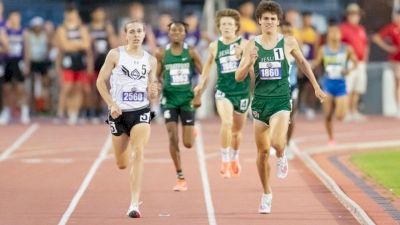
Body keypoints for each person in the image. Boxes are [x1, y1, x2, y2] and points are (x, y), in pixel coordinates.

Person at [235, 0, 325, 214]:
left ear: (278, 21)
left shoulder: (288, 42)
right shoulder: (251, 44)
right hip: (259, 102)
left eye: (273, 19)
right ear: (259, 21)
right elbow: (239, 77)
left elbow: (303, 63)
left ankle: (282, 154)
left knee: (276, 142)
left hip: (281, 100)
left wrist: (316, 87)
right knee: (262, 152)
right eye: (265, 19)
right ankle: (266, 194)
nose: (269, 22)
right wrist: (249, 62)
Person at [96, 19, 158, 218]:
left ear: (144, 34)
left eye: (140, 31)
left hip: (141, 111)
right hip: (118, 114)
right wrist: (111, 104)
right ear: (125, 35)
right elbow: (100, 82)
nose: (137, 34)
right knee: (121, 163)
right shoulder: (115, 54)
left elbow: (153, 89)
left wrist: (154, 90)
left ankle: (134, 204)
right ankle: (127, 143)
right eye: (132, 31)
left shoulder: (151, 60)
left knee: (138, 152)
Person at [194, 9, 250, 178]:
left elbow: (253, 65)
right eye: (223, 24)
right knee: (226, 122)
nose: (226, 27)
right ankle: (224, 160)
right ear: (219, 27)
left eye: (229, 24)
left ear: (236, 27)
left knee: (237, 132)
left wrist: (244, 55)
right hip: (223, 91)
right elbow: (207, 67)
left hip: (241, 92)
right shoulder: (215, 46)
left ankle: (234, 157)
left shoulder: (245, 44)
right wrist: (201, 83)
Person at [156, 21, 202, 191]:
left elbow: (204, 75)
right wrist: (157, 85)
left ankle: (192, 130)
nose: (176, 32)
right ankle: (180, 176)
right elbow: (156, 76)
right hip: (169, 100)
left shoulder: (190, 52)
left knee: (188, 144)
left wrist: (198, 95)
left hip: (187, 100)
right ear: (168, 33)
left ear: (185, 34)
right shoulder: (161, 53)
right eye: (173, 30)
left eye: (180, 30)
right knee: (172, 136)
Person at [313, 24, 357, 145]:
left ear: (340, 35)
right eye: (332, 32)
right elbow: (316, 63)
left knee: (340, 116)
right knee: (327, 115)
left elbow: (355, 62)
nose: (334, 35)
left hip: (341, 85)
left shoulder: (346, 48)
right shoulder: (323, 49)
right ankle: (331, 138)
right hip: (328, 84)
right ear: (328, 35)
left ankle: (339, 108)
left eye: (337, 32)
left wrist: (349, 70)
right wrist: (309, 65)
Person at [55, 6, 92, 125]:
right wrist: (78, 43)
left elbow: (86, 45)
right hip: (68, 60)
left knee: (78, 87)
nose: (72, 16)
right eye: (69, 14)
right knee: (67, 87)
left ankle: (74, 113)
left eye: (74, 14)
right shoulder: (62, 29)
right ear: (66, 15)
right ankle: (61, 112)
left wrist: (72, 43)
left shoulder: (82, 28)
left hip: (80, 60)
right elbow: (64, 46)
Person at [87, 6, 117, 123]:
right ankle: (93, 111)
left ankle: (105, 110)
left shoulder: (107, 27)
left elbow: (114, 44)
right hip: (94, 60)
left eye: (102, 13)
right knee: (93, 88)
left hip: (105, 61)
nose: (100, 15)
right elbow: (87, 48)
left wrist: (110, 35)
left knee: (107, 87)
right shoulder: (89, 28)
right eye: (98, 13)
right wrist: (89, 63)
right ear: (93, 15)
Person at [340, 3, 369, 121]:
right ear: (347, 15)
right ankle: (345, 112)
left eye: (357, 14)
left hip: (361, 63)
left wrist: (365, 59)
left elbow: (365, 45)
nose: (355, 17)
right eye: (352, 14)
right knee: (348, 88)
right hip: (349, 62)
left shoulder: (361, 29)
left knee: (358, 88)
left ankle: (354, 111)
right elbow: (338, 45)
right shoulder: (343, 28)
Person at [0, 10, 29, 125]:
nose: (15, 20)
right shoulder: (5, 31)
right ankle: (6, 112)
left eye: (17, 17)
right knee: (7, 89)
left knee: (20, 89)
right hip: (7, 61)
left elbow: (27, 49)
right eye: (12, 18)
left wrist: (27, 64)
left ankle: (24, 112)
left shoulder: (23, 32)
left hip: (19, 62)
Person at [373, 9, 400, 118]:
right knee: (398, 82)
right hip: (396, 60)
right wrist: (388, 48)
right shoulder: (391, 27)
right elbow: (376, 38)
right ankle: (398, 107)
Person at [25, 16, 51, 113]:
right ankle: (31, 108)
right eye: (36, 26)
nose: (37, 28)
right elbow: (27, 51)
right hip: (33, 61)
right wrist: (27, 65)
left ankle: (43, 107)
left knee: (45, 84)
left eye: (39, 26)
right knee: (30, 86)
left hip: (42, 61)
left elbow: (49, 47)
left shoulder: (45, 35)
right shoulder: (29, 35)